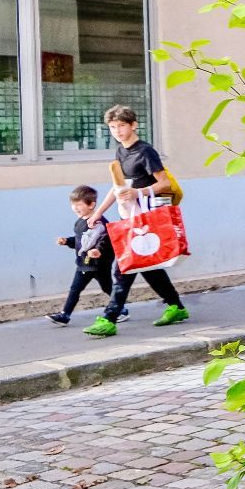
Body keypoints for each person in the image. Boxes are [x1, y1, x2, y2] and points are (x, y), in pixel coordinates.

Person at [86, 105, 189, 336]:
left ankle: (109, 318)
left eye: (121, 125)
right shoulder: (120, 152)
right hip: (129, 217)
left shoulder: (146, 151)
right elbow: (117, 187)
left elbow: (164, 184)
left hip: (145, 218)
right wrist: (97, 213)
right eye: (113, 127)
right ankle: (176, 307)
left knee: (124, 266)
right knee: (149, 268)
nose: (117, 131)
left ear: (133, 125)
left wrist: (138, 193)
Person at [46, 185, 113, 325]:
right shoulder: (80, 222)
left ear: (91, 204)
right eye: (73, 204)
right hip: (83, 264)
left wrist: (98, 250)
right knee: (75, 289)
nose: (75, 207)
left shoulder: (99, 222)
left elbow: (106, 239)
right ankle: (65, 315)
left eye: (78, 204)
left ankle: (120, 309)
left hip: (98, 265)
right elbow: (80, 241)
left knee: (108, 288)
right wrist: (67, 241)